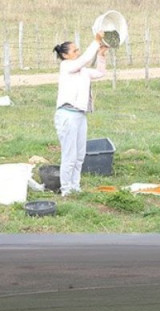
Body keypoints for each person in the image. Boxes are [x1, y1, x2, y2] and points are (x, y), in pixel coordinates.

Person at [53, 31, 109, 196]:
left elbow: (100, 73)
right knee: (69, 155)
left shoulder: (82, 71)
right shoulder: (67, 66)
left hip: (79, 115)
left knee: (79, 155)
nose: (77, 53)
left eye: (78, 50)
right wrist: (96, 42)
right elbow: (84, 59)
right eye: (74, 51)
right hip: (67, 115)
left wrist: (101, 55)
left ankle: (75, 186)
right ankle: (66, 189)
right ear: (65, 55)